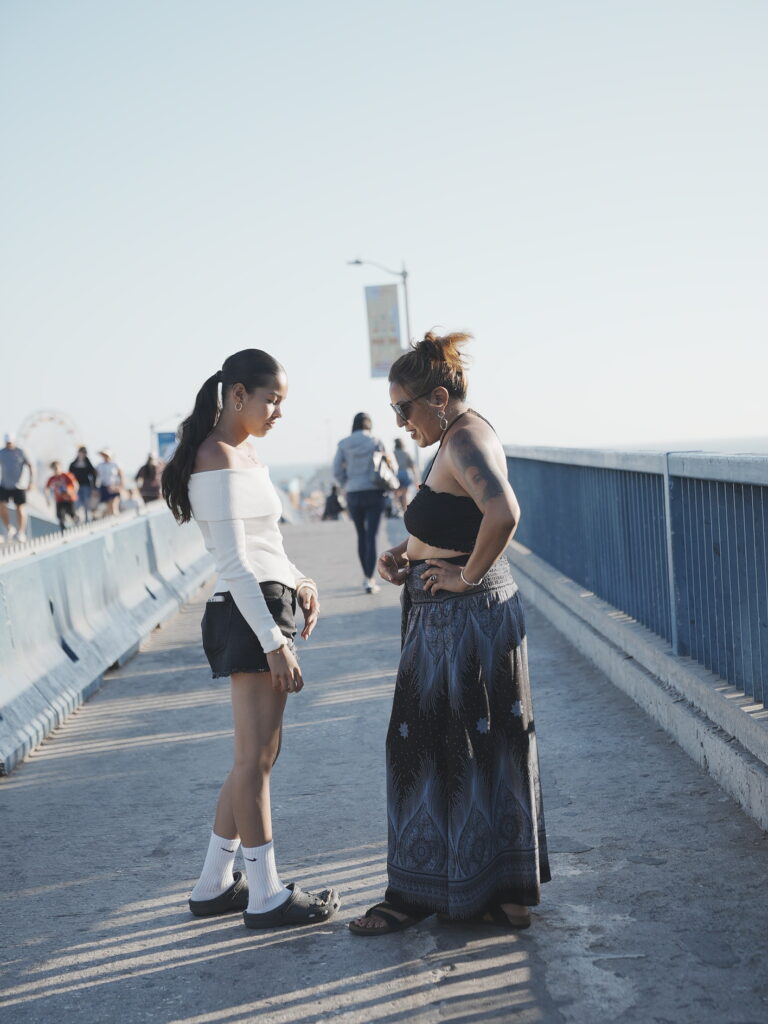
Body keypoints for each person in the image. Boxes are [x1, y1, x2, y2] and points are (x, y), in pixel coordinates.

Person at [349, 331, 550, 936]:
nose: (399, 421)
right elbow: (457, 514)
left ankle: (412, 895)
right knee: (484, 751)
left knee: (424, 752)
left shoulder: (463, 439)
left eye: (403, 408)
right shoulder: (457, 436)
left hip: (460, 625)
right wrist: (404, 555)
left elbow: (503, 511)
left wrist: (464, 576)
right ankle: (503, 894)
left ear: (438, 397)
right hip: (468, 619)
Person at [161, 348, 339, 930]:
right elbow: (235, 563)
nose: (278, 413)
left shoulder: (246, 454)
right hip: (248, 611)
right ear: (237, 395)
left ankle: (214, 885)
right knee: (253, 762)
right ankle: (264, 895)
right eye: (273, 400)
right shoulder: (216, 457)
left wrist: (302, 582)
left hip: (268, 600)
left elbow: (268, 544)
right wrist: (273, 640)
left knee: (259, 757)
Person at [333, 413, 396, 594]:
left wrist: (348, 483)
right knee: (372, 536)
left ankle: (366, 578)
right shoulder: (376, 441)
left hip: (353, 494)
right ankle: (371, 579)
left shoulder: (343, 444)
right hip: (374, 492)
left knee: (361, 535)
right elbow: (392, 466)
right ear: (370, 425)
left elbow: (336, 470)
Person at [0, 434, 33, 544]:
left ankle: (21, 532)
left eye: (10, 442)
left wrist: (31, 482)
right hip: (5, 485)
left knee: (20, 508)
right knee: (1, 505)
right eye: (7, 443)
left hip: (19, 485)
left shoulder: (21, 452)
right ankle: (9, 527)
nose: (8, 445)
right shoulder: (2, 452)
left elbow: (30, 466)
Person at [46, 461, 79, 530]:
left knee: (71, 513)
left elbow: (75, 484)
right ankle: (63, 529)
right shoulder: (52, 479)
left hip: (69, 498)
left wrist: (72, 492)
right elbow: (47, 489)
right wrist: (47, 499)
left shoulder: (66, 475)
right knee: (60, 515)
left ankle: (78, 523)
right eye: (54, 469)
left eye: (57, 468)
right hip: (59, 499)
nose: (56, 470)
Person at [69, 446, 97, 522]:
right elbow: (70, 476)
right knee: (77, 503)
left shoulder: (88, 464)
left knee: (86, 504)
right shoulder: (73, 464)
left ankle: (87, 520)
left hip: (86, 486)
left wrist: (94, 487)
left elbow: (94, 475)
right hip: (76, 487)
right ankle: (77, 520)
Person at [95, 448, 124, 517]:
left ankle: (117, 519)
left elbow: (121, 476)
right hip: (104, 487)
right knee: (108, 506)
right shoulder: (100, 465)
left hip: (114, 486)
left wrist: (120, 486)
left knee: (114, 505)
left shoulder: (115, 464)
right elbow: (96, 476)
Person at [393, 438, 419, 512]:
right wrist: (417, 479)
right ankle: (405, 510)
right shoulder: (406, 453)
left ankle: (396, 509)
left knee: (396, 493)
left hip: (396, 474)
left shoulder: (393, 453)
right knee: (404, 494)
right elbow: (413, 466)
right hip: (405, 474)